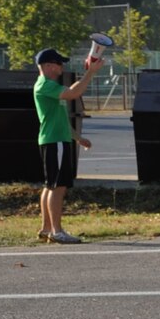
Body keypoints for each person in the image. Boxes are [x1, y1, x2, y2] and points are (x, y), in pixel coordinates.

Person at [32, 47, 102, 244]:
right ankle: (57, 231)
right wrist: (91, 72)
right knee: (58, 187)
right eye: (57, 63)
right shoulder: (45, 85)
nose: (61, 67)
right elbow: (74, 93)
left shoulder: (49, 86)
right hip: (55, 141)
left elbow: (60, 118)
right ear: (47, 66)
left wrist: (77, 138)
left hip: (55, 139)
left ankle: (47, 228)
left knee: (50, 186)